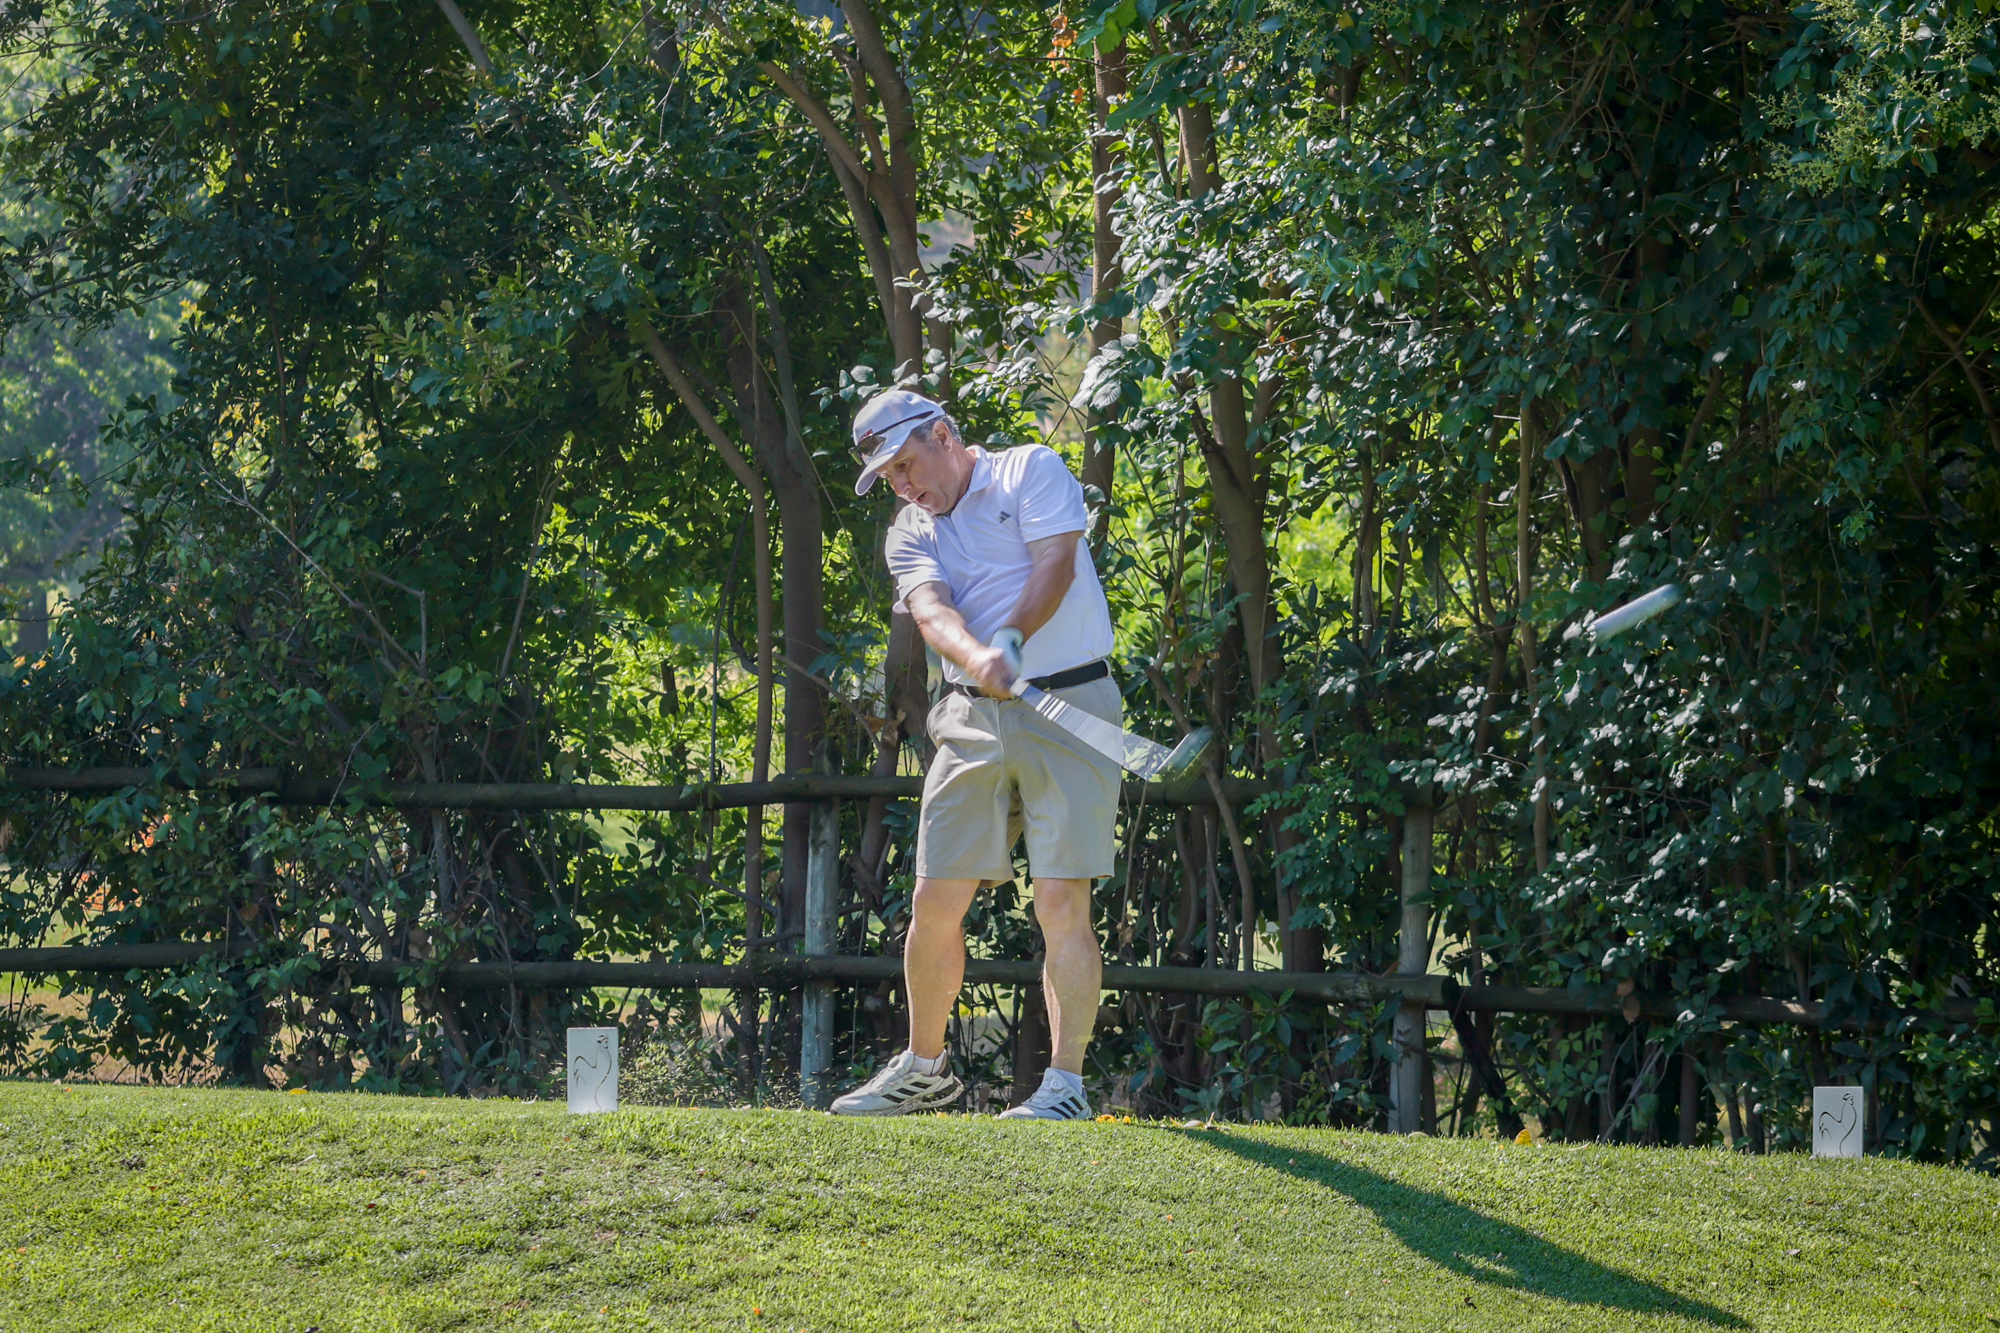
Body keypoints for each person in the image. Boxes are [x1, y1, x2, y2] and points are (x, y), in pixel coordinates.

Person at [830, 389, 1120, 1120]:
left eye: (906, 464)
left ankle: (1065, 1087)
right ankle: (925, 1070)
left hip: (1071, 703)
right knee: (934, 898)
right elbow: (932, 613)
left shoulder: (1030, 469)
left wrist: (1010, 640)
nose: (903, 485)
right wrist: (978, 657)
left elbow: (1056, 563)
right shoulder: (909, 528)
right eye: (888, 477)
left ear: (943, 434)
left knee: (1060, 898)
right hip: (968, 714)